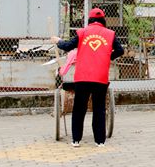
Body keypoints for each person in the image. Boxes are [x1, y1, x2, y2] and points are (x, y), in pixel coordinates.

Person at [51, 8, 124, 147]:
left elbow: (67, 46)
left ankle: (76, 140)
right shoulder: (110, 34)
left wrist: (58, 41)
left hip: (83, 77)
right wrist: (108, 57)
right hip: (100, 77)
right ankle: (100, 141)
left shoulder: (82, 32)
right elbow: (120, 50)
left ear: (89, 19)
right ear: (103, 20)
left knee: (79, 108)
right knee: (99, 108)